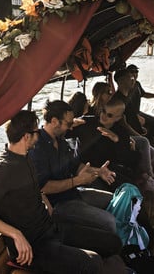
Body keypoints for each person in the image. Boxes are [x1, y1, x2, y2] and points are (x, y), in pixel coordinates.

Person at [0, 110, 104, 273]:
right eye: (37, 131)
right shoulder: (2, 169)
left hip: (49, 228)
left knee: (110, 242)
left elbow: (32, 185)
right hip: (33, 246)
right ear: (26, 136)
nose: (39, 134)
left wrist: (43, 198)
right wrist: (15, 234)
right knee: (93, 263)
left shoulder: (25, 156)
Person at [28, 100, 123, 258]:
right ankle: (110, 257)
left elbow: (75, 166)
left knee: (116, 201)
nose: (72, 126)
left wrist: (98, 172)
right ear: (54, 121)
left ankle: (117, 246)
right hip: (58, 204)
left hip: (74, 193)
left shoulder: (60, 141)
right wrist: (77, 181)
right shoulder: (37, 147)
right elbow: (43, 187)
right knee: (109, 222)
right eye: (69, 123)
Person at [69, 95, 154, 194]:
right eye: (103, 111)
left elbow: (128, 159)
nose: (104, 116)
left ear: (118, 117)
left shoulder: (120, 132)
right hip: (86, 170)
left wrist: (117, 141)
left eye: (109, 115)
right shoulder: (86, 122)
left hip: (109, 170)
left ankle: (145, 181)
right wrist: (70, 124)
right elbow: (64, 131)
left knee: (130, 187)